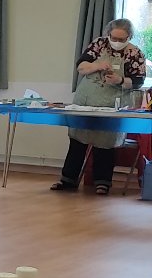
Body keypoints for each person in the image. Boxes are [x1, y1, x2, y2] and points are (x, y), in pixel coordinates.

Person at [51, 19, 147, 195]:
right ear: (108, 34)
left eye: (122, 39)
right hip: (87, 100)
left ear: (129, 37)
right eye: (114, 37)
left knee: (105, 142)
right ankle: (68, 180)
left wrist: (120, 80)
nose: (117, 42)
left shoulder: (135, 53)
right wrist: (97, 65)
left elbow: (138, 81)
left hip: (112, 102)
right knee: (77, 139)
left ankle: (102, 182)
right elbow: (81, 66)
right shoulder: (98, 44)